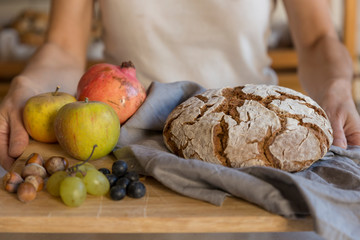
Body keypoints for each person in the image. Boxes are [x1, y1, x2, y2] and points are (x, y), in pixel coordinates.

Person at [0, 0, 359, 171]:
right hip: (130, 149)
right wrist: (27, 84)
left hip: (256, 147)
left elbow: (317, 41)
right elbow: (63, 46)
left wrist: (337, 85)